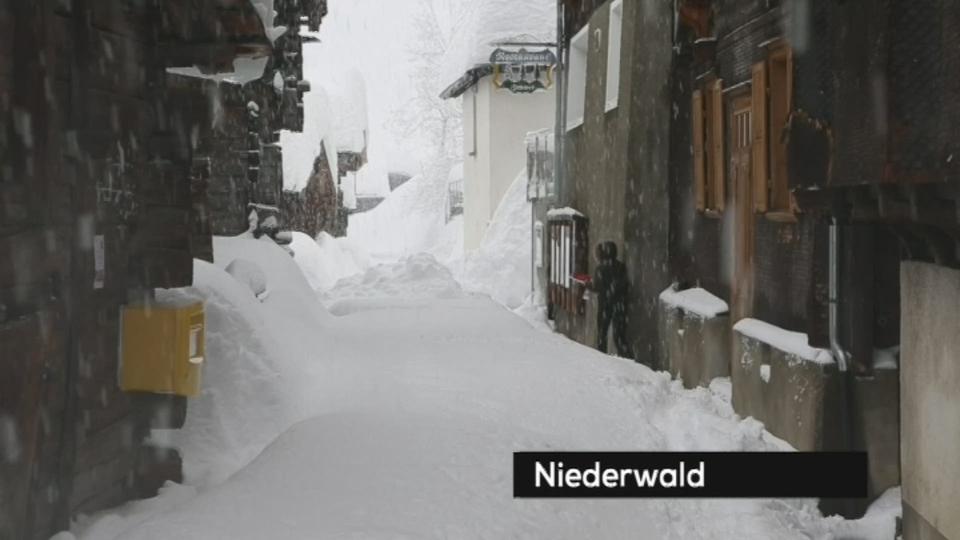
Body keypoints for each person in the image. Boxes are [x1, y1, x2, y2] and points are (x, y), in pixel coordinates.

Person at [591, 241, 631, 357]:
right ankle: (626, 357)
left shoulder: (600, 268)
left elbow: (597, 287)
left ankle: (601, 357)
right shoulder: (621, 266)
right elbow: (624, 284)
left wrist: (587, 285)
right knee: (619, 335)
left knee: (602, 334)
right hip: (620, 304)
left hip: (605, 305)